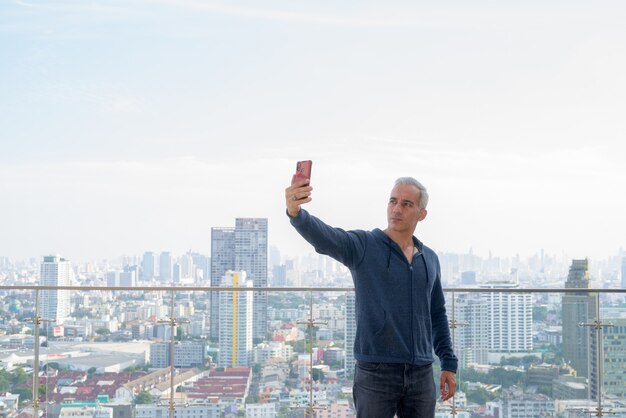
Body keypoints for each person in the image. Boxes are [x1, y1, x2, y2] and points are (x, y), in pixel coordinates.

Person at [285, 175, 458, 418]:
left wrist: (448, 363)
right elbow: (326, 238)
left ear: (421, 214)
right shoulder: (364, 245)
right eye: (392, 201)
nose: (397, 209)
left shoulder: (429, 258)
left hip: (421, 373)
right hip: (376, 373)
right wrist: (296, 213)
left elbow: (437, 314)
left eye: (407, 204)